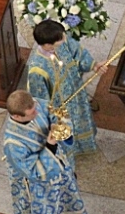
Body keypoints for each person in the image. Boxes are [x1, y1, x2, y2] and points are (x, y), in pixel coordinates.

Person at [3, 90, 89, 214]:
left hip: (58, 169)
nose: (37, 113)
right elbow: (33, 171)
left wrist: (61, 125)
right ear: (17, 117)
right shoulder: (12, 143)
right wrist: (50, 145)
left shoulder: (36, 104)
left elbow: (55, 114)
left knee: (65, 199)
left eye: (35, 108)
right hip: (36, 185)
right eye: (31, 113)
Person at [26, 19, 100, 155]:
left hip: (77, 94)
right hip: (60, 109)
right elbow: (40, 99)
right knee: (66, 132)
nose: (65, 39)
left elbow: (78, 53)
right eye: (61, 39)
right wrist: (50, 118)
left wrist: (94, 66)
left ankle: (84, 146)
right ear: (48, 45)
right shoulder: (37, 69)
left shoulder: (62, 42)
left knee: (81, 120)